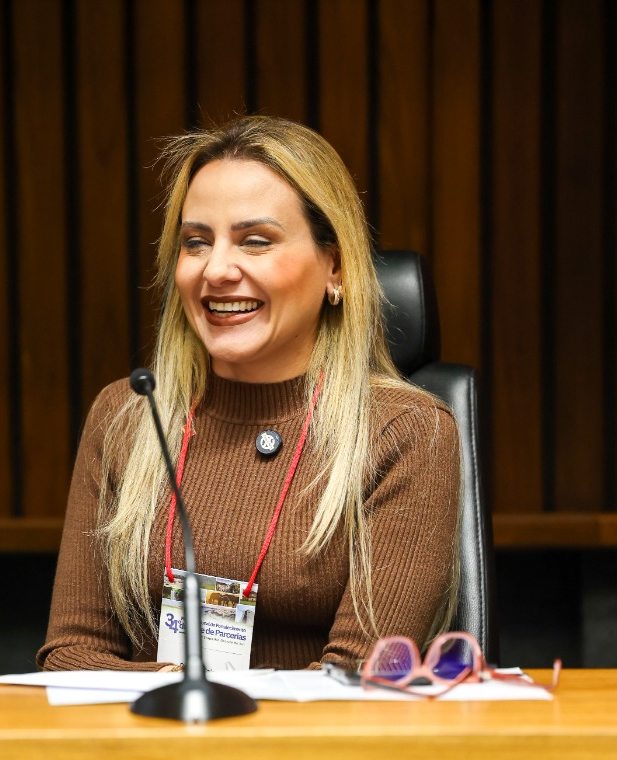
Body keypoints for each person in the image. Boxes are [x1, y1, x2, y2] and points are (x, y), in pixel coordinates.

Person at [38, 115, 460, 673]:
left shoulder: (405, 433)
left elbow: (356, 679)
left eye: (255, 241)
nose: (216, 270)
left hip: (313, 736)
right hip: (147, 728)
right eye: (195, 243)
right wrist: (184, 693)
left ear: (334, 267)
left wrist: (201, 694)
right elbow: (71, 657)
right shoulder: (129, 415)